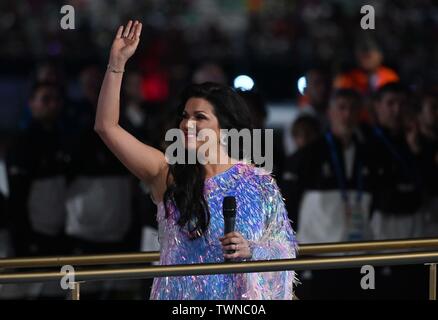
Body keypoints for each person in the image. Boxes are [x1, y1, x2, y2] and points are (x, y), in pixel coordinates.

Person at [95, 20, 297, 300]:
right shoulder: (167, 173)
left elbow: (285, 249)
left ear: (225, 128)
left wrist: (251, 250)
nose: (187, 124)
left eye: (200, 117)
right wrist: (116, 65)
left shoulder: (260, 183)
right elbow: (107, 127)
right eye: (185, 116)